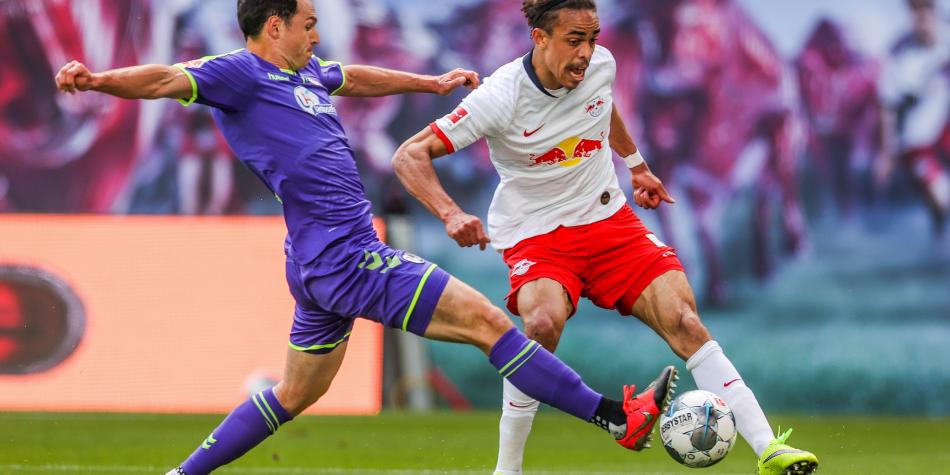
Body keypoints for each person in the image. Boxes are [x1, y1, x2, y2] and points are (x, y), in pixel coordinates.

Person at [54, 1, 677, 474]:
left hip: (318, 261)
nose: (316, 35)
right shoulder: (239, 74)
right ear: (274, 26)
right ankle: (615, 417)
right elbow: (164, 79)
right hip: (348, 256)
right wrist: (96, 80)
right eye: (308, 24)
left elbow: (351, 76)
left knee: (295, 392)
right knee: (490, 323)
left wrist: (428, 84)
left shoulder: (305, 74)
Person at [391, 1, 818, 474]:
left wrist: (637, 166)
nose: (586, 52)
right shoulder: (500, 95)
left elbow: (602, 106)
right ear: (540, 38)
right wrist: (451, 214)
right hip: (537, 234)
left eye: (593, 38)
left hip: (609, 223)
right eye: (574, 40)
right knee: (540, 328)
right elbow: (410, 155)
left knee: (685, 321)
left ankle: (768, 449)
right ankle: (507, 469)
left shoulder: (600, 66)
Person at [878, 0, 950, 234]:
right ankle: (940, 238)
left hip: (944, 132)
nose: (921, 14)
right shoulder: (900, 55)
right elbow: (887, 107)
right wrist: (886, 153)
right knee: (940, 200)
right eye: (914, 8)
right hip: (916, 143)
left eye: (926, 6)